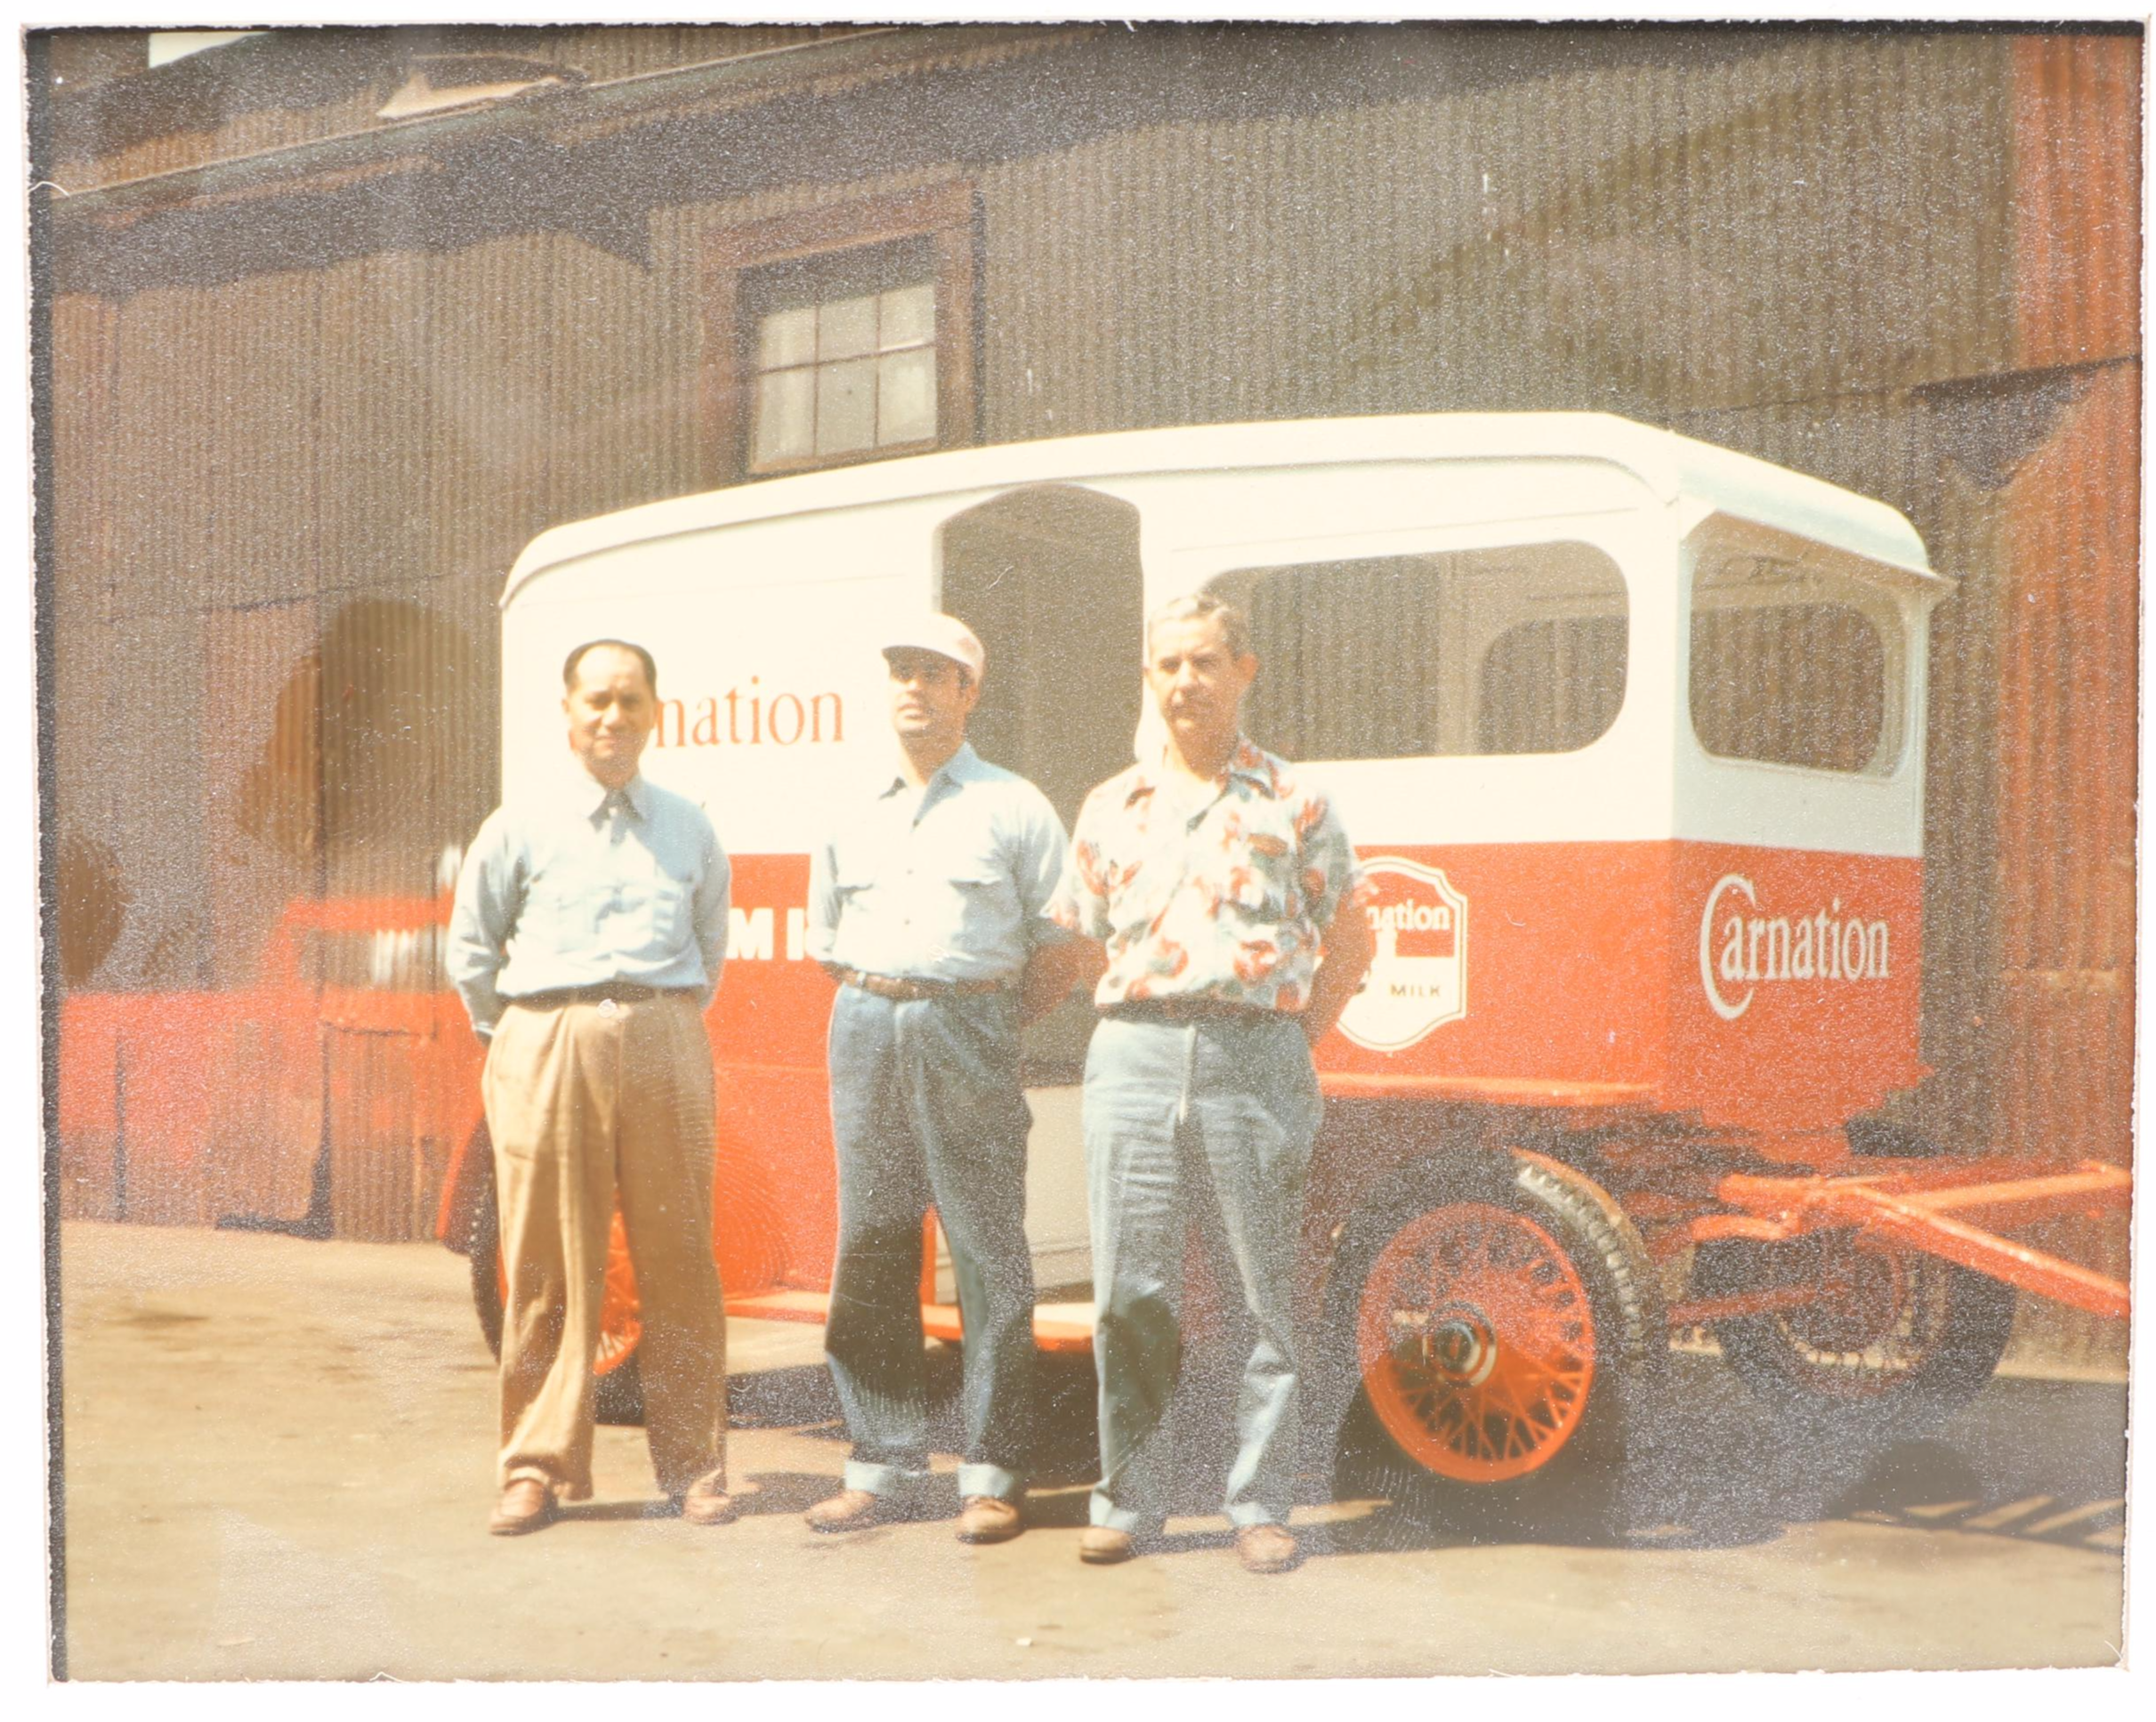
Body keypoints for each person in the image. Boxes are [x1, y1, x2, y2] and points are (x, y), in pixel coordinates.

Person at [1052, 590, 1375, 1575]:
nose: (1183, 683)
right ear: (1147, 680)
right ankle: (1129, 1499)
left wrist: (1286, 1040)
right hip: (1133, 1056)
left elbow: (1352, 939)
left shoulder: (1295, 801)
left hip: (1254, 1061)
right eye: (1166, 666)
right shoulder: (1110, 804)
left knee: (1260, 1297)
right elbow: (1079, 939)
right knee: (1130, 1294)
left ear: (1244, 671)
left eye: (1202, 662)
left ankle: (1259, 1504)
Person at [803, 614, 1092, 1544]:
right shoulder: (850, 807)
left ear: (970, 692)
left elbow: (1062, 947)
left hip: (968, 1023)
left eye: (936, 675)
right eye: (901, 672)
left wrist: (984, 1019)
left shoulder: (1014, 806)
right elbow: (825, 943)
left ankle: (991, 1472)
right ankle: (877, 1464)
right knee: (872, 1244)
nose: (914, 691)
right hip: (864, 1020)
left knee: (984, 1251)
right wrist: (888, 1001)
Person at [447, 639, 735, 1536]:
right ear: (566, 713)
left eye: (630, 700)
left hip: (661, 1034)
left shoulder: (688, 825)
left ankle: (695, 1467)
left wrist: (650, 1022)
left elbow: (710, 949)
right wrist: (526, 1042)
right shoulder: (517, 825)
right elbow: (470, 955)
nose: (613, 716)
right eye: (596, 701)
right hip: (544, 1036)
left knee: (680, 1261)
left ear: (656, 713)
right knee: (541, 1264)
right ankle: (534, 1465)